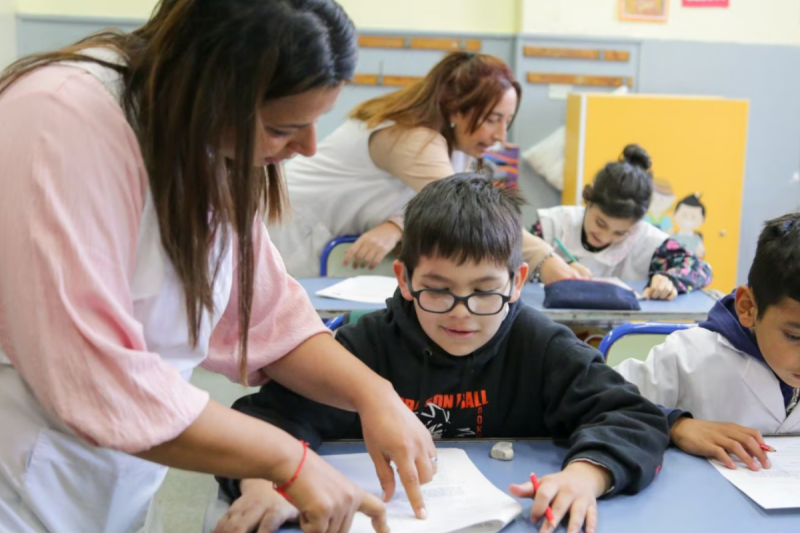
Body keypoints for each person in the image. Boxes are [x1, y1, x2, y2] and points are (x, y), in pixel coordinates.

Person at [0, 1, 438, 532]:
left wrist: (373, 394)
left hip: (112, 472)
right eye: (282, 127)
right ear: (209, 89)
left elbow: (265, 318)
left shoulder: (204, 144)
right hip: (20, 473)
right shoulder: (58, 121)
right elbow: (91, 375)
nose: (308, 147)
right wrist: (287, 459)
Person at [215, 174, 671, 533]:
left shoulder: (541, 345)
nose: (461, 312)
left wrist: (585, 477)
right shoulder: (366, 348)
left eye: (484, 291)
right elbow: (264, 421)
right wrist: (264, 485)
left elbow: (632, 416)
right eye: (437, 290)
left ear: (517, 282)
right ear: (404, 279)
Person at [268, 51, 583, 283]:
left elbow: (435, 202)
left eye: (507, 121)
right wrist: (546, 260)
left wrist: (395, 225)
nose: (501, 135)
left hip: (322, 240)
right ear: (454, 109)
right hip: (289, 229)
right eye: (492, 119)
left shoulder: (456, 145)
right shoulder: (413, 138)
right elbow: (470, 212)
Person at [616, 213, 800, 472]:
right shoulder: (686, 356)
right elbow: (604, 399)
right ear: (748, 308)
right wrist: (675, 424)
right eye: (794, 336)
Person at [531, 144, 712, 300]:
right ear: (589, 200)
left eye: (620, 233)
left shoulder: (649, 242)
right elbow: (516, 260)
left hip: (619, 328)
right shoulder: (552, 225)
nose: (605, 236)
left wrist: (669, 279)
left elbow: (701, 269)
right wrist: (547, 266)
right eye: (600, 223)